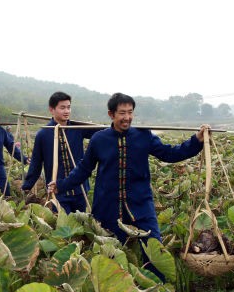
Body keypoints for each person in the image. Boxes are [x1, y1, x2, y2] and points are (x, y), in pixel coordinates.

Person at [49, 93, 208, 274]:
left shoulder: (143, 136)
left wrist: (196, 141)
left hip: (141, 204)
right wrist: (61, 185)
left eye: (130, 112)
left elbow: (170, 153)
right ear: (111, 114)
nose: (127, 117)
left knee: (154, 248)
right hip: (107, 206)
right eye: (122, 113)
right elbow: (84, 169)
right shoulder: (99, 140)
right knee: (110, 257)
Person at [22, 91, 98, 213]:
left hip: (80, 189)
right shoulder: (43, 134)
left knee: (81, 224)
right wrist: (26, 186)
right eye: (62, 108)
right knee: (63, 223)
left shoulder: (77, 128)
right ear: (51, 110)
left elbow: (101, 133)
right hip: (58, 191)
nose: (67, 111)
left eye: (68, 107)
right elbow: (36, 163)